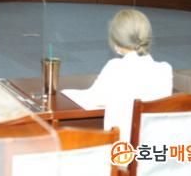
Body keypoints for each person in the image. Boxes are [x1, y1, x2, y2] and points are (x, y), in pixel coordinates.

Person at [68, 9, 172, 141]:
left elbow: (94, 100)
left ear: (116, 41)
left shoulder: (114, 67)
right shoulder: (165, 70)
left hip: (120, 149)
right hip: (152, 148)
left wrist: (66, 93)